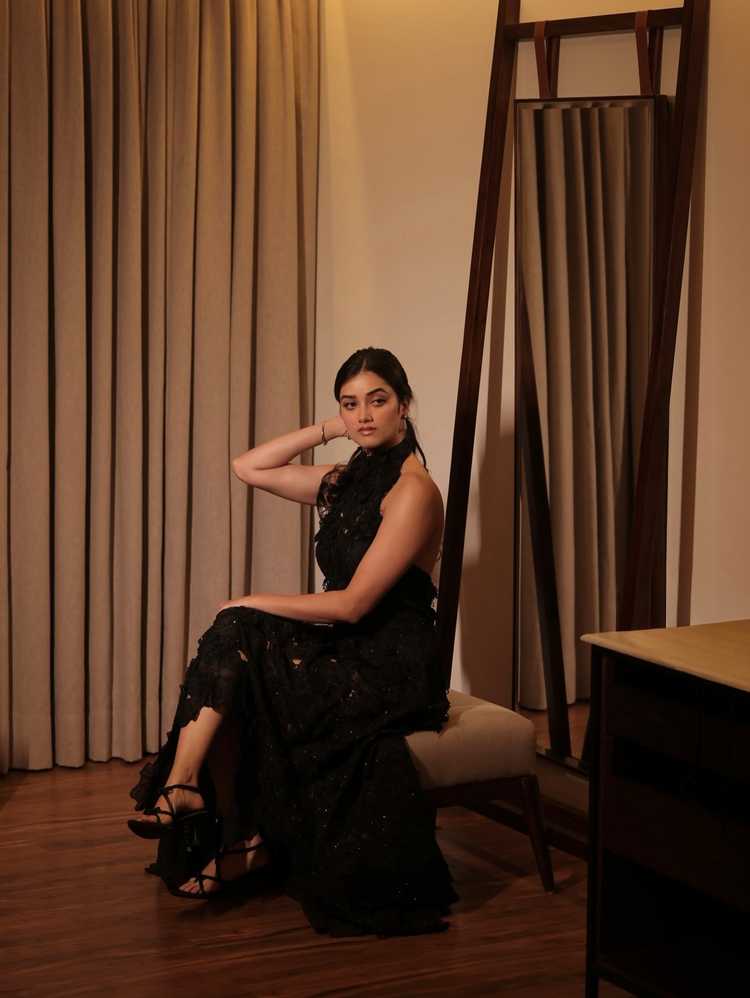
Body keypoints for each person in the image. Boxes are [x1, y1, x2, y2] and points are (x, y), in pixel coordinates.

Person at [127, 347, 457, 936]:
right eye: (350, 404)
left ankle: (222, 824)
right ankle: (201, 802)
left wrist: (251, 599)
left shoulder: (413, 491)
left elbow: (353, 604)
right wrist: (331, 428)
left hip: (390, 662)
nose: (363, 415)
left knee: (241, 625)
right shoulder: (346, 481)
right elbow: (248, 467)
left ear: (404, 405)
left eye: (377, 401)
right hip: (345, 645)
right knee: (239, 642)